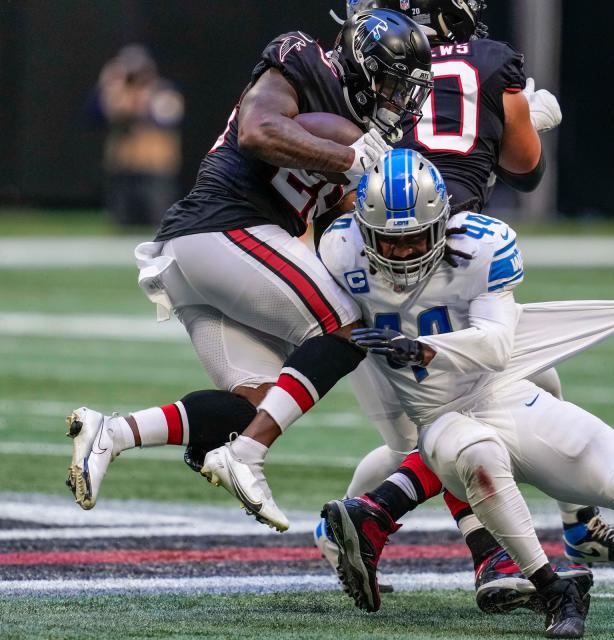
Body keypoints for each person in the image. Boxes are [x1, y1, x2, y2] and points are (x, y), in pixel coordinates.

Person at [319, 148, 614, 637]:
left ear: (440, 225)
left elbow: (496, 346)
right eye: (391, 242)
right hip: (438, 417)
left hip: (501, 393)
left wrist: (419, 348)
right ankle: (553, 589)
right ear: (365, 235)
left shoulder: (481, 247)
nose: (404, 253)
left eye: (414, 239)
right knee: (476, 457)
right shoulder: (339, 252)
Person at [315, 0, 614, 611]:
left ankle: (564, 528)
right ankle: (474, 548)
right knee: (456, 413)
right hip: (432, 247)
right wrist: (519, 116)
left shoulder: (359, 69)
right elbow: (525, 169)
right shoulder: (484, 59)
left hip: (365, 250)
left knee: (520, 386)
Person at [65, 10, 433, 533]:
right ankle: (249, 459)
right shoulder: (304, 62)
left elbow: (331, 218)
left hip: (203, 256)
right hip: (224, 228)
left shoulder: (359, 134)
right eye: (392, 85)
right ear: (360, 65)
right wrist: (348, 159)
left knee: (254, 408)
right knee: (350, 328)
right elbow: (258, 133)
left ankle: (112, 433)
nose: (398, 101)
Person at [91, 44, 184, 227]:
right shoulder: (116, 94)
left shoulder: (163, 91)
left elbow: (167, 118)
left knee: (159, 217)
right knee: (121, 219)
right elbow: (94, 116)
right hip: (123, 164)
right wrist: (108, 87)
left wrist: (143, 102)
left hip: (155, 165)